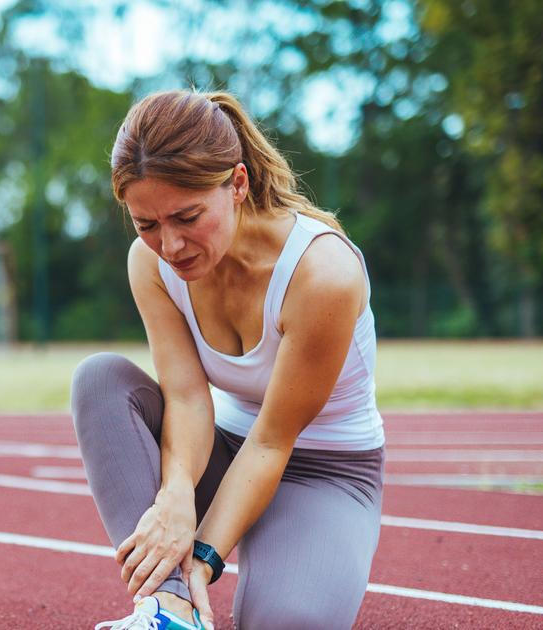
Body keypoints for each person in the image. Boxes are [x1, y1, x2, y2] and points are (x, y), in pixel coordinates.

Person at [72, 90, 386, 630]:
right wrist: (174, 499)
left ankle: (197, 591)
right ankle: (168, 613)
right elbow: (189, 399)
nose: (170, 246)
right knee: (100, 380)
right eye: (146, 224)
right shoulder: (150, 264)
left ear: (237, 184)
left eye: (187, 216)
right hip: (224, 447)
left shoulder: (323, 274)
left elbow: (273, 440)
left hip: (323, 472)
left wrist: (203, 556)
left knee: (285, 624)